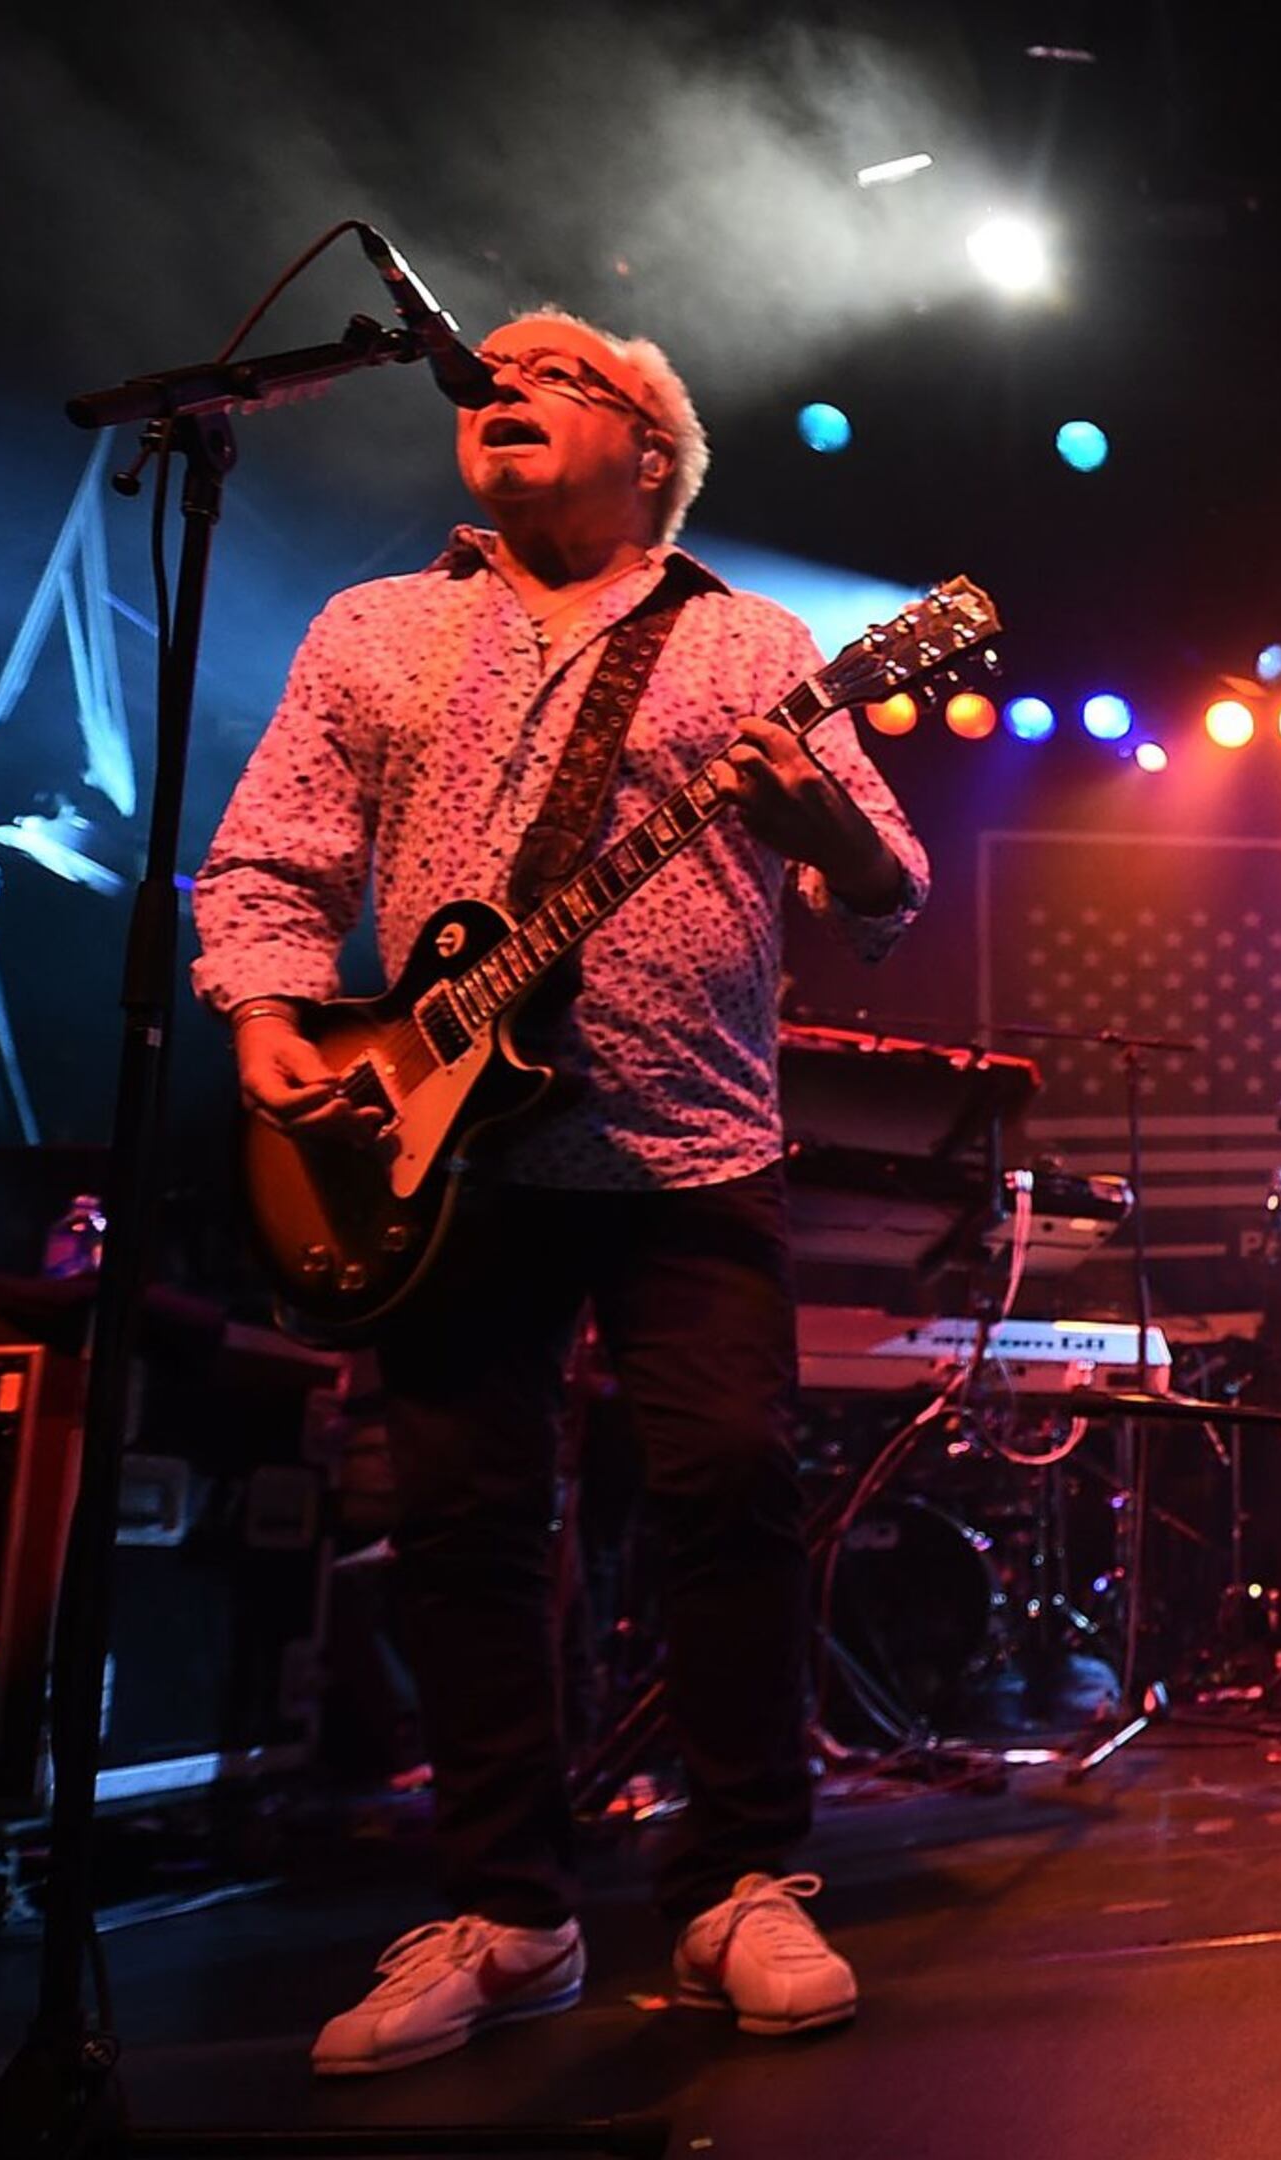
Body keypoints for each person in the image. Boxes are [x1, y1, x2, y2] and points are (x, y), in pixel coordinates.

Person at [194, 310, 928, 2075]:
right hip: (436, 1152)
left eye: (559, 378)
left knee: (732, 1488)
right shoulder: (379, 626)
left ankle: (745, 1879)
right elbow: (276, 852)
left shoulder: (750, 638)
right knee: (459, 1523)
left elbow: (884, 877)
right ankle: (510, 1916)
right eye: (492, 378)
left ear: (653, 452)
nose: (504, 391)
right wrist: (271, 1018)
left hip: (690, 1141)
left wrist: (809, 818)